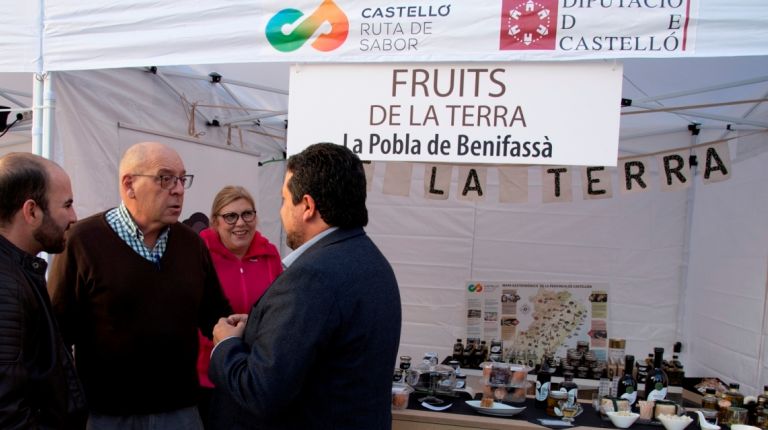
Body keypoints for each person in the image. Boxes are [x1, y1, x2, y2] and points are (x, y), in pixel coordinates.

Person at [209, 143, 402, 430]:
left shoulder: (312, 276)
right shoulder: (373, 261)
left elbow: (260, 391)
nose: (282, 210)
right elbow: (330, 341)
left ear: (308, 206)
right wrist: (265, 327)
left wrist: (226, 344)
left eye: (285, 200)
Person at [48, 142, 233, 429]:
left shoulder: (192, 245)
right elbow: (57, 333)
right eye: (165, 178)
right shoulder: (82, 241)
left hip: (180, 411)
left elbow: (215, 315)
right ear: (129, 185)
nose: (179, 189)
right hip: (106, 415)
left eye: (182, 179)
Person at [0, 152, 87, 429]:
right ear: (32, 211)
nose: (74, 217)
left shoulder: (18, 272)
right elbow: (7, 410)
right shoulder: (6, 287)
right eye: (67, 205)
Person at [196, 186, 282, 424]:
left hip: (253, 374)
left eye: (247, 214)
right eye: (230, 216)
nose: (240, 223)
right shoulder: (199, 254)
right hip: (207, 375)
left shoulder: (270, 254)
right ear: (215, 221)